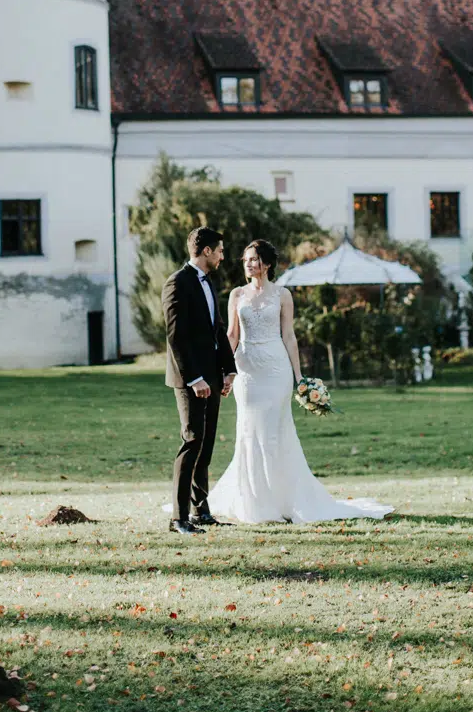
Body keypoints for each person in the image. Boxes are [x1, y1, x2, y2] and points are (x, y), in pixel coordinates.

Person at [209, 239, 394, 524]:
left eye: (254, 259)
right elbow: (232, 335)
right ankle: (255, 502)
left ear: (267, 264)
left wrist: (299, 378)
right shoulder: (236, 295)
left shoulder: (282, 295)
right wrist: (226, 370)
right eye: (245, 259)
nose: (248, 264)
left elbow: (289, 336)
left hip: (275, 370)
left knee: (274, 432)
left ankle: (285, 499)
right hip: (247, 372)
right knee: (249, 431)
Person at [162, 227, 238, 535]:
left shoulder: (209, 283)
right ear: (206, 251)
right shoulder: (177, 283)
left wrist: (228, 370)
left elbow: (217, 330)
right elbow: (175, 335)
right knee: (192, 440)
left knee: (205, 446)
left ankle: (201, 511)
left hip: (212, 376)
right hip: (190, 379)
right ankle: (178, 518)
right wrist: (194, 378)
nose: (222, 255)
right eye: (219, 250)